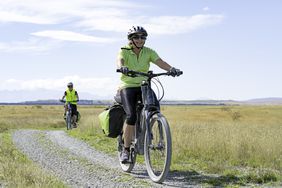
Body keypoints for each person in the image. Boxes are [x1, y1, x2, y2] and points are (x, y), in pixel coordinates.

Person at [117, 26, 182, 162]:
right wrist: (122, 67)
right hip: (128, 86)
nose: (140, 40)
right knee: (131, 116)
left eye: (142, 37)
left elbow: (160, 62)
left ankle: (146, 131)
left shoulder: (149, 52)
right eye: (136, 37)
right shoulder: (124, 51)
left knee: (155, 109)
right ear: (131, 39)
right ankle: (126, 148)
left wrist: (171, 69)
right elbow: (120, 60)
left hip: (144, 86)